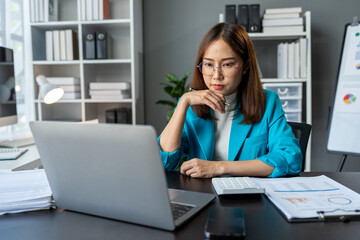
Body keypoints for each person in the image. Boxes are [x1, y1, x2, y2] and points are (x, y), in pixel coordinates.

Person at [158, 23, 302, 178]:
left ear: (245, 66)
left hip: (249, 197)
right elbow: (164, 162)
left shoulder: (268, 102)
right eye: (208, 64)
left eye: (227, 64)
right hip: (203, 195)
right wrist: (183, 102)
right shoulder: (191, 105)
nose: (216, 75)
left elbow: (290, 159)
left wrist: (220, 167)